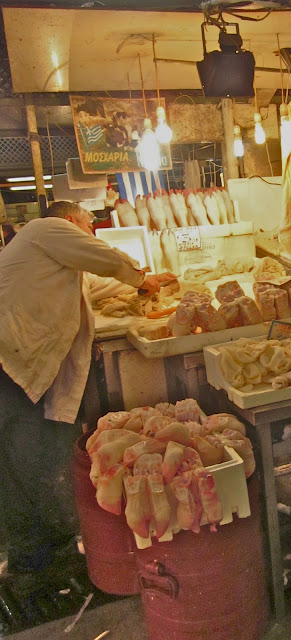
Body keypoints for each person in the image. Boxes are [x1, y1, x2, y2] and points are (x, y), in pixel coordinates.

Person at [0, 201, 174, 572]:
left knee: (35, 459)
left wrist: (150, 279)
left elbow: (98, 283)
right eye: (87, 226)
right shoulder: (46, 229)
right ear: (69, 221)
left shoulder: (53, 258)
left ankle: (46, 554)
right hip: (10, 368)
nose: (91, 233)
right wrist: (140, 278)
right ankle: (33, 565)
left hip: (20, 368)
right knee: (25, 462)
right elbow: (104, 258)